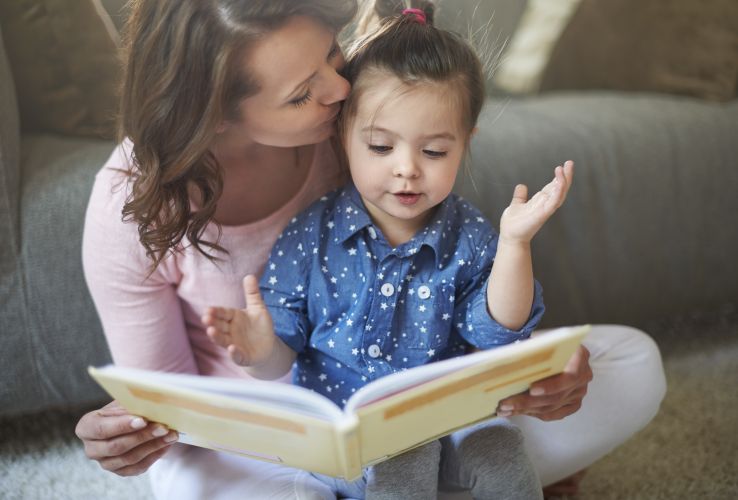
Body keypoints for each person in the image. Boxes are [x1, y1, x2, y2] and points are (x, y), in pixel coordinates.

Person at [74, 0, 666, 499]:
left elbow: (468, 303)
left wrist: (544, 377)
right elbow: (167, 408)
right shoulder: (132, 208)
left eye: (332, 54)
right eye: (304, 93)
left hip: (428, 400)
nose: (339, 89)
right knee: (186, 477)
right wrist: (126, 433)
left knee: (631, 362)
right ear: (215, 114)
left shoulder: (361, 121)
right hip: (265, 436)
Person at [203, 6, 568, 498]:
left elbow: (497, 333)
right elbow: (278, 355)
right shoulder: (313, 233)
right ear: (342, 137)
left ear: (465, 144)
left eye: (435, 152)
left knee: (502, 450)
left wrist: (515, 244)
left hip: (453, 425)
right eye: (380, 147)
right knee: (400, 451)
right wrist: (259, 349)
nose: (407, 170)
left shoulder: (470, 234)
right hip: (346, 442)